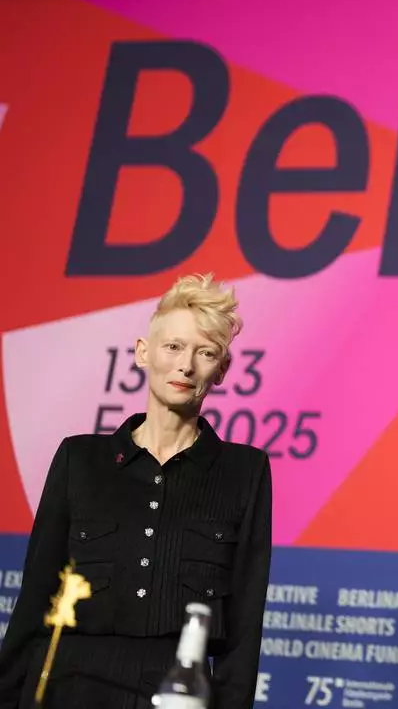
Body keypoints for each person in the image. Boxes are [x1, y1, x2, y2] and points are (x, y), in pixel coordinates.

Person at [0, 273, 272, 709]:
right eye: (173, 347)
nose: (186, 366)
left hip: (175, 694)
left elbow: (244, 625)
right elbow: (35, 600)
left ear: (221, 370)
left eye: (205, 353)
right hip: (68, 688)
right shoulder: (79, 460)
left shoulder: (245, 470)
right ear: (143, 353)